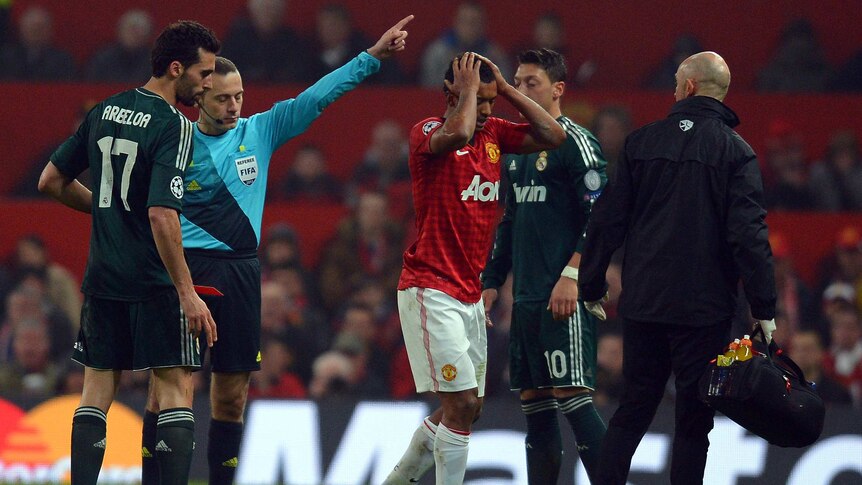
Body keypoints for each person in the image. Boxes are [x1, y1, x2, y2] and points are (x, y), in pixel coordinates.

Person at [144, 16, 413, 485]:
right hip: (187, 272)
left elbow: (317, 96)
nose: (233, 107)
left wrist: (371, 58)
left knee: (231, 396)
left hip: (243, 275)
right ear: (199, 96)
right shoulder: (175, 140)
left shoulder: (259, 132)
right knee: (173, 388)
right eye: (223, 98)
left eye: (239, 97)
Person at [577, 51, 778, 485]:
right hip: (703, 311)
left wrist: (590, 284)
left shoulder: (640, 142)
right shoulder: (737, 153)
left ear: (687, 87)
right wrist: (763, 307)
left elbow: (608, 221)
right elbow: (749, 235)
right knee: (693, 421)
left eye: (674, 82)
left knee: (632, 412)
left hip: (644, 303)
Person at [36, 20, 220, 485]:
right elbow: (162, 214)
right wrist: (187, 293)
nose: (207, 84)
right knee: (175, 387)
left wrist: (105, 213)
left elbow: (50, 181)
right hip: (155, 279)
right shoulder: (173, 125)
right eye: (203, 74)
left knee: (96, 390)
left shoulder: (105, 109)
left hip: (103, 275)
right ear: (176, 68)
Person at [383, 52, 565, 484]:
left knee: (468, 409)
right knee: (462, 404)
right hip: (430, 286)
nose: (486, 111)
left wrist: (506, 89)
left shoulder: (495, 134)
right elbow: (459, 129)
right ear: (449, 92)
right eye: (478, 100)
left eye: (490, 101)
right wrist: (469, 94)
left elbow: (553, 134)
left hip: (468, 293)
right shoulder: (427, 133)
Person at [480, 48, 608, 483]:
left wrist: (573, 274)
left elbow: (601, 214)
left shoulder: (575, 140)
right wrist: (493, 280)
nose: (519, 90)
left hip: (564, 295)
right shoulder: (517, 149)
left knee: (573, 397)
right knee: (534, 403)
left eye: (530, 83)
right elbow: (509, 220)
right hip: (527, 298)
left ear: (558, 90)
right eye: (516, 82)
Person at [84, 9, 154, 83]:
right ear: (120, 31)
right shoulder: (103, 59)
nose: (134, 35)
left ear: (148, 35)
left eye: (139, 31)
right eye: (131, 30)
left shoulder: (155, 62)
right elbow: (90, 85)